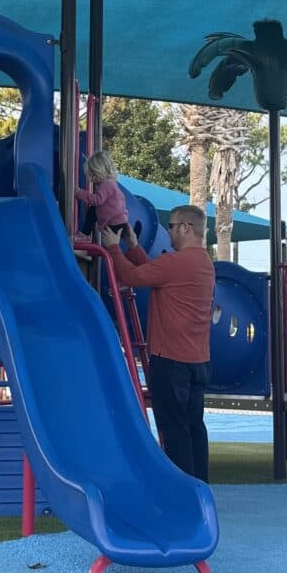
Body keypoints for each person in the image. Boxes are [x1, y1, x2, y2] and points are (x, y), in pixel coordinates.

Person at [101, 205, 214, 482]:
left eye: (172, 226)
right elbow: (155, 271)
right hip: (197, 360)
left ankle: (182, 491)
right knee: (193, 426)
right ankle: (200, 487)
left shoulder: (176, 262)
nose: (169, 231)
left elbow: (132, 277)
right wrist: (134, 247)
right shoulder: (203, 263)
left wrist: (113, 248)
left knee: (174, 428)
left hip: (171, 358)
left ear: (186, 228)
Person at [74, 150, 132, 240]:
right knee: (92, 211)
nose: (91, 180)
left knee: (92, 210)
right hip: (120, 221)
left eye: (92, 175)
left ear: (99, 172)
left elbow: (97, 200)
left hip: (114, 222)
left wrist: (80, 193)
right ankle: (85, 234)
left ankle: (84, 235)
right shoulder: (111, 183)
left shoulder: (106, 184)